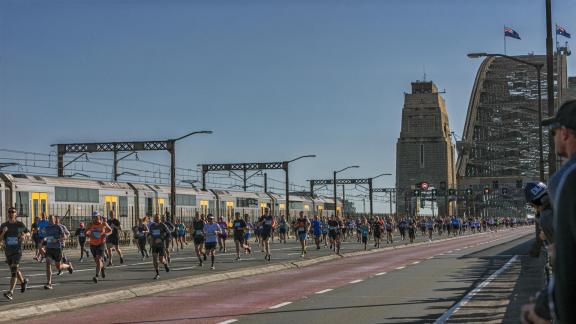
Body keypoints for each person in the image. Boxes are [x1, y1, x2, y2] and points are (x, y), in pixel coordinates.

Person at [522, 100, 576, 324]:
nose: (552, 137)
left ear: (564, 134)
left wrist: (545, 308)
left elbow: (570, 260)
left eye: (553, 131)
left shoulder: (566, 179)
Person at [1, 207, 30, 300]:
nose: (11, 213)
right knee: (15, 270)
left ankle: (10, 292)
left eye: (13, 212)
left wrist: (24, 235)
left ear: (15, 214)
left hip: (17, 251)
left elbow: (29, 233)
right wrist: (3, 232)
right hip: (8, 251)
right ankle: (23, 282)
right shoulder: (4, 225)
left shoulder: (19, 224)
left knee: (13, 270)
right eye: (9, 212)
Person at [43, 215, 74, 289]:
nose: (50, 221)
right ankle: (49, 283)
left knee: (58, 267)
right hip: (49, 248)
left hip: (57, 249)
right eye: (49, 219)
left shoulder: (59, 227)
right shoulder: (46, 228)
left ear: (54, 220)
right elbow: (45, 236)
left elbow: (65, 237)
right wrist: (44, 240)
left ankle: (69, 266)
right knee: (48, 263)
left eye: (51, 219)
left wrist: (57, 240)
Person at [86, 212, 112, 283]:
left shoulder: (104, 224)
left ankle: (96, 276)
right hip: (92, 245)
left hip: (101, 244)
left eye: (96, 217)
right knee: (97, 261)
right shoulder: (90, 224)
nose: (94, 219)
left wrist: (106, 234)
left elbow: (110, 230)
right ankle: (102, 268)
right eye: (93, 217)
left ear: (99, 217)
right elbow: (86, 232)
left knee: (98, 259)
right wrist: (89, 234)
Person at [148, 214, 171, 279]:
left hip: (161, 245)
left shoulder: (163, 225)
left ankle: (165, 263)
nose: (156, 219)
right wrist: (149, 238)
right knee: (154, 259)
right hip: (154, 245)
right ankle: (157, 274)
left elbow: (169, 233)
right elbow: (150, 234)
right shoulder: (152, 226)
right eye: (155, 218)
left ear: (160, 218)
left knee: (161, 260)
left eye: (157, 218)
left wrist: (161, 239)